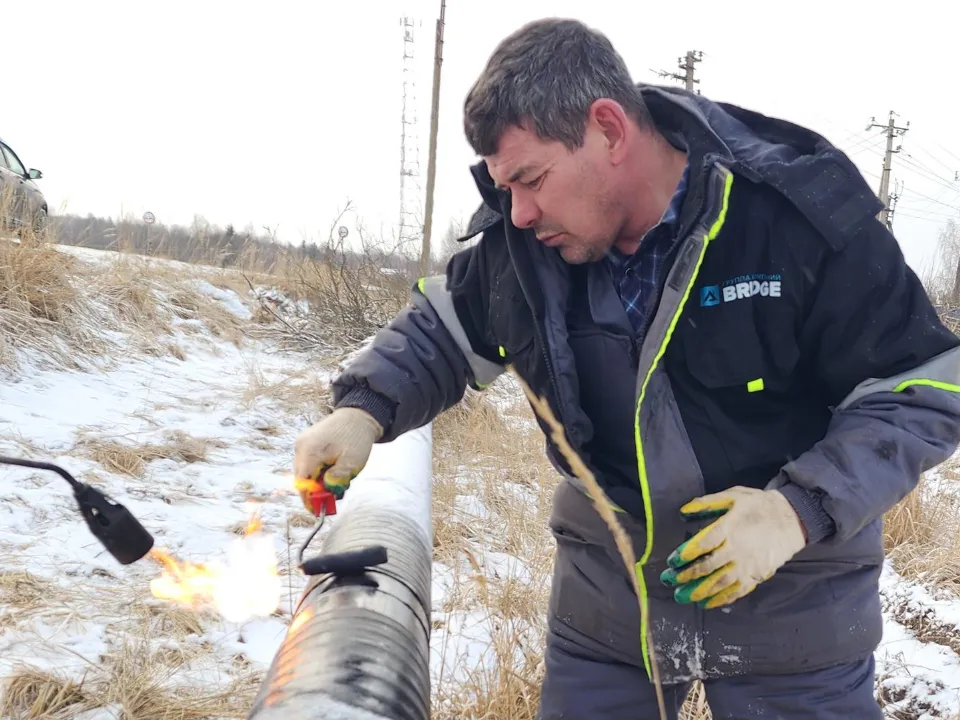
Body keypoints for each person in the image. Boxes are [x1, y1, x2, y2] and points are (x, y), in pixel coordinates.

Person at [292, 17, 960, 720]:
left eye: (530, 179)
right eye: (504, 187)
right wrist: (362, 408)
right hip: (610, 611)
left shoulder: (791, 211)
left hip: (797, 609)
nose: (517, 212)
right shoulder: (526, 244)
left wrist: (796, 511)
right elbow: (445, 331)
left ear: (608, 130)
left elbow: (925, 385)